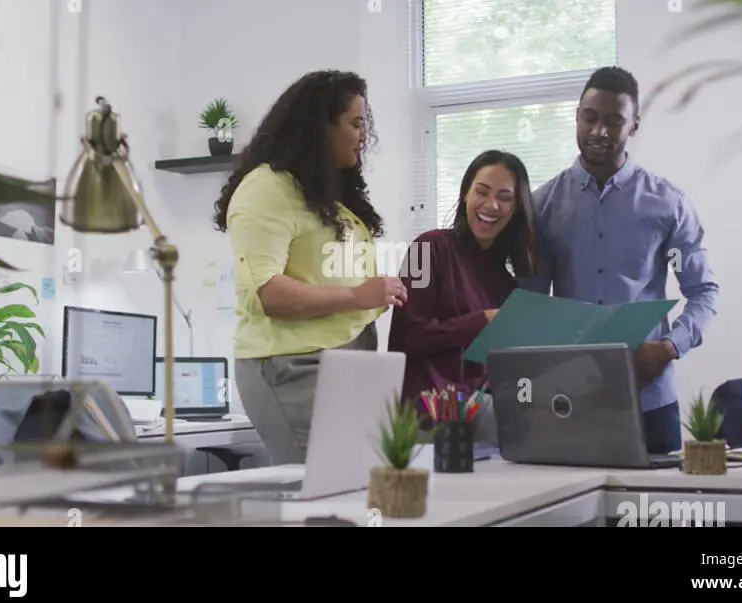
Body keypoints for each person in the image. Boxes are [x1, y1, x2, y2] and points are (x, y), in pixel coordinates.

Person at [212, 70, 407, 465]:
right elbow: (267, 293)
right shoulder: (266, 188)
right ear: (320, 126)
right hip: (294, 367)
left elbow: (329, 274)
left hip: (347, 362)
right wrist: (357, 296)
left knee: (352, 491)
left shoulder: (322, 195)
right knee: (320, 494)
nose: (364, 137)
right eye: (355, 124)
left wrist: (378, 294)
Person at [529, 66, 720, 454]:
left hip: (649, 397)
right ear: (577, 116)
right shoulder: (542, 205)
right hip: (570, 397)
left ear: (634, 126)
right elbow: (531, 304)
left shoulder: (667, 203)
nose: (599, 131)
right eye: (590, 117)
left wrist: (669, 347)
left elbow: (703, 292)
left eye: (614, 121)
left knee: (651, 514)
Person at [387, 150, 536, 446]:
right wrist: (482, 321)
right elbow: (407, 338)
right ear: (465, 194)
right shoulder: (428, 247)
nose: (491, 205)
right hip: (427, 413)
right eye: (482, 191)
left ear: (516, 208)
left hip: (479, 409)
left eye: (505, 197)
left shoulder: (507, 283)